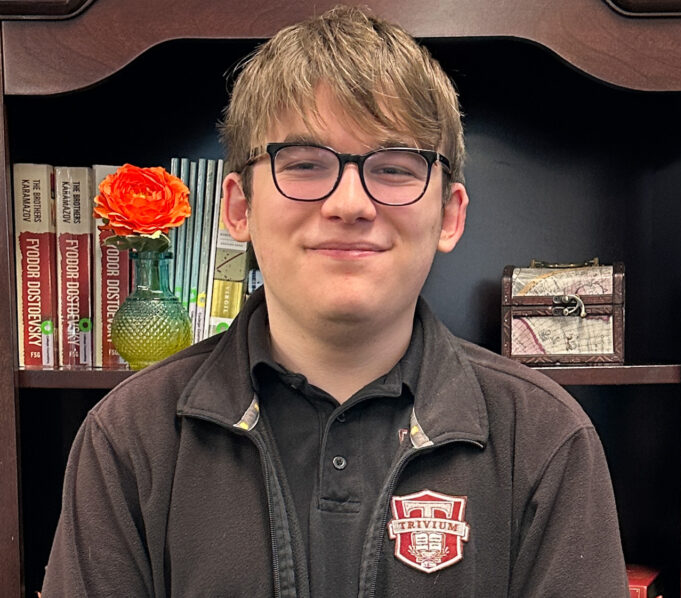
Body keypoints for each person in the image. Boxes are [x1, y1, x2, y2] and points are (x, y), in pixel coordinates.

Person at [42, 5, 629, 597]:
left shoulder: (547, 441)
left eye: (396, 168)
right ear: (240, 208)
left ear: (449, 215)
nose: (350, 204)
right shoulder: (126, 438)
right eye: (303, 164)